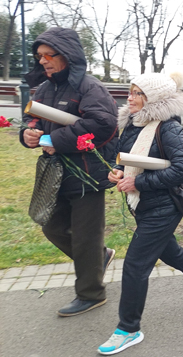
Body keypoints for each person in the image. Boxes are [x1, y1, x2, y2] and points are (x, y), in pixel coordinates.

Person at [99, 72, 183, 355]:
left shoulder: (168, 127)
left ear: (153, 98)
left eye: (137, 93)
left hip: (165, 206)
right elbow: (121, 155)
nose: (129, 98)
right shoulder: (132, 122)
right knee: (167, 250)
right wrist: (117, 172)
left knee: (135, 265)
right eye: (130, 92)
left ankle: (128, 329)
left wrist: (137, 182)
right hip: (142, 203)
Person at [20, 27, 118, 317]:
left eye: (48, 55)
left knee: (86, 237)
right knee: (51, 226)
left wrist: (54, 141)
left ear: (68, 55)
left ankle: (91, 294)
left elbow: (103, 125)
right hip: (56, 173)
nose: (43, 61)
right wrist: (29, 133)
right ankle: (98, 259)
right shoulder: (46, 88)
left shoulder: (90, 88)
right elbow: (34, 118)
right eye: (40, 56)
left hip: (87, 175)